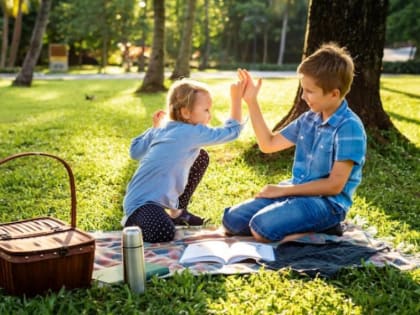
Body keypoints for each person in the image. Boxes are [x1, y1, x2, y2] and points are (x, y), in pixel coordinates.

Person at [223, 43, 367, 243]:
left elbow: (334, 186)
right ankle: (296, 220)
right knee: (232, 221)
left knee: (261, 228)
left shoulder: (349, 127)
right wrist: (251, 101)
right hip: (297, 193)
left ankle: (328, 228)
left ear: (334, 94)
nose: (303, 96)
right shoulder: (309, 119)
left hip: (327, 204)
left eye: (309, 91)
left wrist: (282, 191)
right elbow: (268, 144)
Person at [123, 78, 245, 243]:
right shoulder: (192, 132)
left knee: (200, 156)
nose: (210, 115)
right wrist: (236, 99)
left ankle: (178, 212)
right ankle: (134, 224)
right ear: (186, 113)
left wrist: (154, 128)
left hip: (139, 199)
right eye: (206, 110)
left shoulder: (162, 129)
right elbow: (232, 131)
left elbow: (135, 152)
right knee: (165, 232)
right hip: (142, 204)